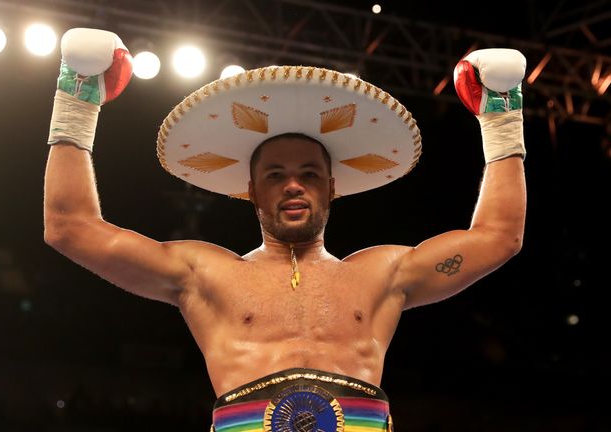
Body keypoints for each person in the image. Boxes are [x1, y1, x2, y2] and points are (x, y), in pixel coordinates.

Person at [44, 28, 527, 432]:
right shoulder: (203, 274)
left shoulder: (385, 274)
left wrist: (502, 118)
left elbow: (498, 237)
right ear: (251, 190)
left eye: (310, 174)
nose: (294, 186)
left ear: (332, 187)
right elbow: (70, 228)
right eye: (275, 175)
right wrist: (77, 102)